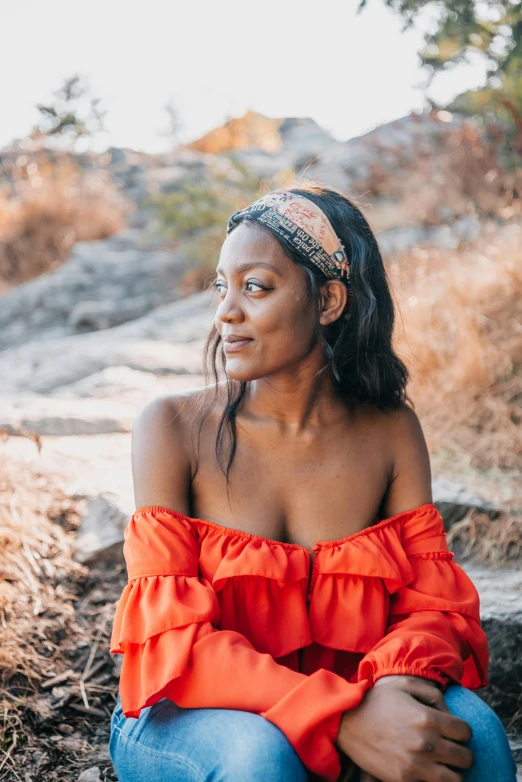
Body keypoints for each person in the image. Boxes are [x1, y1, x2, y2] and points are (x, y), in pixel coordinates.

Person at [108, 183, 517, 781]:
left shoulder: (391, 431)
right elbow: (178, 645)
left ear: (328, 301)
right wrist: (343, 719)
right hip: (190, 711)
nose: (226, 310)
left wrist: (393, 690)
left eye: (256, 287)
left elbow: (433, 608)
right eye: (221, 285)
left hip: (360, 687)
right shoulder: (171, 428)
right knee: (262, 758)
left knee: (477, 737)